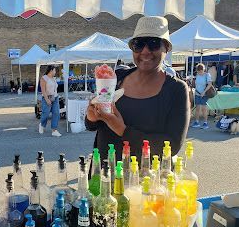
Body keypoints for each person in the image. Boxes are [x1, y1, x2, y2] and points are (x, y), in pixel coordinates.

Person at [85, 16, 190, 161]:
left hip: (144, 177)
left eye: (153, 43)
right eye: (138, 44)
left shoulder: (176, 89)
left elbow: (172, 146)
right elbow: (94, 125)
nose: (145, 51)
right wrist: (91, 117)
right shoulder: (117, 78)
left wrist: (123, 131)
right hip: (105, 173)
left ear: (166, 47)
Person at [39, 65, 62, 137]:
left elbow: (55, 88)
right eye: (55, 70)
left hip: (55, 97)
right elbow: (43, 90)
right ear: (51, 70)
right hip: (47, 97)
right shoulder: (44, 78)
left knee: (56, 113)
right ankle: (42, 125)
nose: (55, 72)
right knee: (45, 113)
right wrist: (46, 99)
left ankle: (54, 130)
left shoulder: (53, 78)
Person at [190, 63, 212, 129]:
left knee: (204, 109)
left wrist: (204, 92)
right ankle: (196, 122)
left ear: (203, 69)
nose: (199, 72)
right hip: (197, 94)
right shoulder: (197, 75)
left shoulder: (207, 75)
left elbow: (210, 84)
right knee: (197, 108)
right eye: (198, 71)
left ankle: (205, 123)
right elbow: (196, 84)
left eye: (201, 71)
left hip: (204, 94)